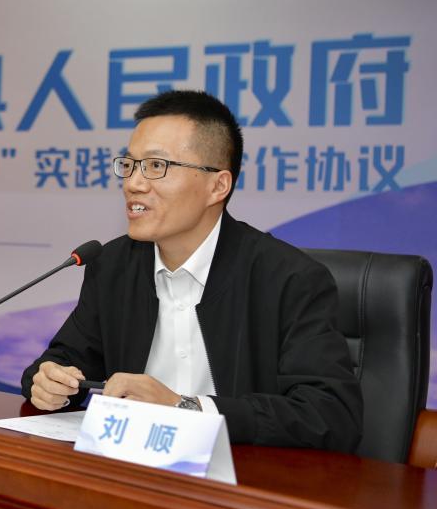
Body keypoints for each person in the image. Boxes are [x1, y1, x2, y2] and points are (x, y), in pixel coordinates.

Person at [21, 90, 362, 452]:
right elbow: (64, 361)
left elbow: (330, 415)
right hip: (131, 467)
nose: (133, 183)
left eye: (156, 166)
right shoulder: (112, 265)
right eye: (129, 165)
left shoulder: (289, 278)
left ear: (217, 186)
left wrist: (183, 407)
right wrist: (50, 382)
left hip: (241, 474)